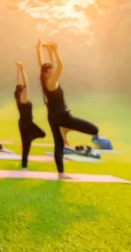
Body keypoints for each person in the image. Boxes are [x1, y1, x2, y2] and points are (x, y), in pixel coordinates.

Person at [38, 41, 100, 179]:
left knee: (59, 143)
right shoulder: (52, 82)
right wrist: (55, 51)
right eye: (51, 69)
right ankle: (66, 128)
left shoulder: (45, 80)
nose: (53, 69)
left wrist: (42, 51)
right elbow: (60, 66)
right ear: (48, 72)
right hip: (62, 116)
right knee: (94, 129)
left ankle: (61, 173)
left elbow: (45, 65)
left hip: (52, 116)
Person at [14, 59, 46, 168]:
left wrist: (18, 70)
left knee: (42, 134)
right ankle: (24, 166)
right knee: (26, 146)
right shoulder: (23, 99)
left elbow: (18, 83)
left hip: (27, 123)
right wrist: (23, 70)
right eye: (22, 89)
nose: (24, 88)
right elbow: (26, 84)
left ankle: (30, 138)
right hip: (25, 124)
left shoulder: (19, 98)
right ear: (21, 92)